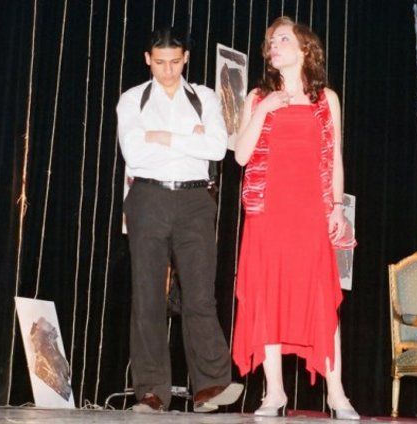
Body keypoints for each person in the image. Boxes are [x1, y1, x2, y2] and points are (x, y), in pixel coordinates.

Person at [232, 16, 359, 420]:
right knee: (267, 297)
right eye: (271, 41)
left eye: (283, 39)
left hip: (309, 213)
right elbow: (241, 156)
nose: (274, 46)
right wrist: (265, 109)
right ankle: (274, 393)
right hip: (267, 212)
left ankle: (337, 394)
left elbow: (335, 159)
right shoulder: (258, 97)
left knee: (320, 299)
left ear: (305, 49)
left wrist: (337, 208)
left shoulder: (326, 99)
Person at [117, 26, 243, 414]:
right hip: (148, 197)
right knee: (148, 295)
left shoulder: (205, 97)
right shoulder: (132, 100)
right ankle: (151, 392)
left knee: (200, 293)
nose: (168, 70)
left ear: (186, 58)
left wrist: (163, 136)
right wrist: (190, 138)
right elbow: (135, 153)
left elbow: (216, 149)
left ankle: (211, 386)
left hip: (195, 200)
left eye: (175, 62)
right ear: (147, 59)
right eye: (160, 63)